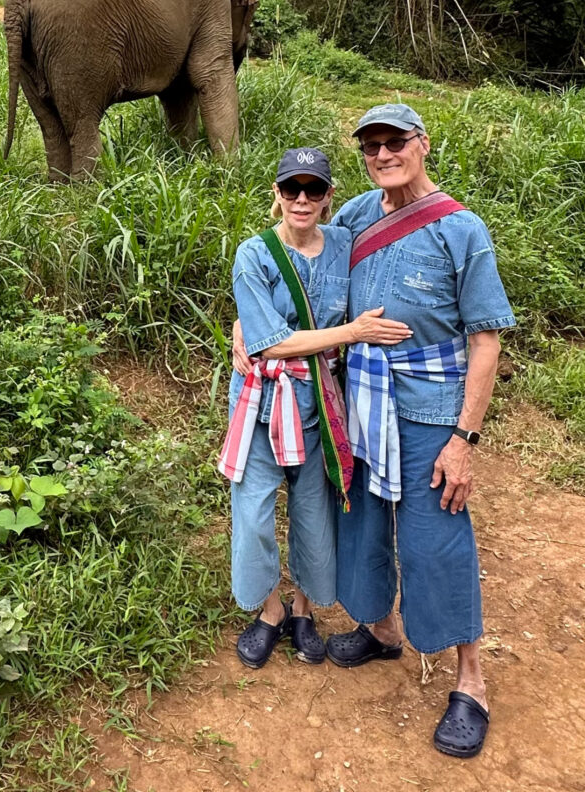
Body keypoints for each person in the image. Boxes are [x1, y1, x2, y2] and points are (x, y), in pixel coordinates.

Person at [325, 103, 515, 759]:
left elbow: (485, 340)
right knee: (365, 523)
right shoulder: (352, 216)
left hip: (432, 411)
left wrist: (465, 439)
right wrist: (250, 323)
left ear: (422, 144)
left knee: (437, 541)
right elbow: (310, 273)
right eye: (370, 146)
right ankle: (379, 630)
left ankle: (471, 682)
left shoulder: (462, 231)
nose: (382, 154)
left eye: (394, 141)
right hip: (362, 401)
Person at [220, 148, 411, 670]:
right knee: (254, 511)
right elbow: (268, 341)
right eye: (290, 189)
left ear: (329, 198)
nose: (301, 199)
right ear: (276, 195)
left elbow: (392, 203)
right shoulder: (253, 254)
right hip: (262, 399)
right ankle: (270, 610)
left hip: (320, 403)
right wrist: (351, 332)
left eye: (313, 189)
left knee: (314, 512)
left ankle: (303, 609)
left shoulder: (346, 245)